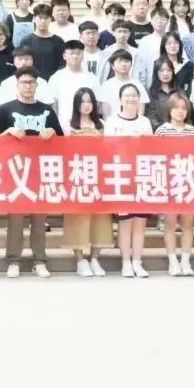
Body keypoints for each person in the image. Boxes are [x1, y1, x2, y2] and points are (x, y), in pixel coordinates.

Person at [0, 67, 62, 278]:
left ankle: (39, 260)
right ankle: (13, 259)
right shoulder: (5, 110)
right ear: (17, 85)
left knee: (39, 220)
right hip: (16, 171)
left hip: (40, 170)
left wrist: (52, 131)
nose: (28, 86)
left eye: (32, 82)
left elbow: (62, 140)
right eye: (24, 82)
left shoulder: (47, 110)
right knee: (15, 220)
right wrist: (8, 131)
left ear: (37, 85)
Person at [105, 83, 154, 278]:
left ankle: (137, 262)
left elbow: (152, 149)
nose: (131, 99)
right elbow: (107, 148)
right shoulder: (111, 122)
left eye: (134, 95)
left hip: (142, 175)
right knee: (125, 223)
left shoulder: (145, 122)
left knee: (140, 222)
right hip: (121, 177)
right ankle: (126, 262)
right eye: (126, 96)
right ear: (120, 100)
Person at [62, 89, 111, 276]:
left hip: (98, 175)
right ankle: (80, 259)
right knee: (77, 217)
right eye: (82, 101)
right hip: (76, 176)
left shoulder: (102, 125)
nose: (86, 105)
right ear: (76, 104)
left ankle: (95, 258)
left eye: (90, 101)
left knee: (101, 218)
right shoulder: (68, 125)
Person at [155, 92, 194, 276]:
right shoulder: (162, 131)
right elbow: (154, 156)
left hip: (189, 182)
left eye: (184, 108)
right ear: (169, 110)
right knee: (170, 224)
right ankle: (172, 261)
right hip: (169, 182)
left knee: (188, 224)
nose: (180, 111)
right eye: (176, 108)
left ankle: (185, 260)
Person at [46, 40, 101, 127]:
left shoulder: (92, 78)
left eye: (78, 53)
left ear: (83, 55)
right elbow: (53, 105)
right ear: (64, 56)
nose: (75, 56)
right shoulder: (56, 78)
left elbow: (97, 103)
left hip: (87, 126)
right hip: (63, 125)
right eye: (71, 53)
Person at [98, 50, 148, 119]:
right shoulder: (107, 85)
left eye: (126, 61)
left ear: (131, 65)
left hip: (134, 123)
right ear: (112, 66)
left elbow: (141, 108)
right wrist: (109, 123)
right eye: (119, 61)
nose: (123, 64)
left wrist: (137, 123)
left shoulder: (137, 84)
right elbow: (104, 111)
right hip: (113, 123)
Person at [25, 4, 65, 79]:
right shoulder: (26, 41)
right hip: (33, 80)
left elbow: (62, 63)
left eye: (46, 18)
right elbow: (24, 64)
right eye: (40, 18)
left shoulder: (58, 41)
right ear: (34, 19)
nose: (43, 21)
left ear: (50, 19)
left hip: (54, 80)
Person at [133, 7, 170, 87]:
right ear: (151, 21)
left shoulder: (172, 39)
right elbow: (140, 65)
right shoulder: (145, 41)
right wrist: (142, 85)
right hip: (150, 83)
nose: (159, 22)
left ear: (167, 21)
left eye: (162, 19)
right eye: (156, 19)